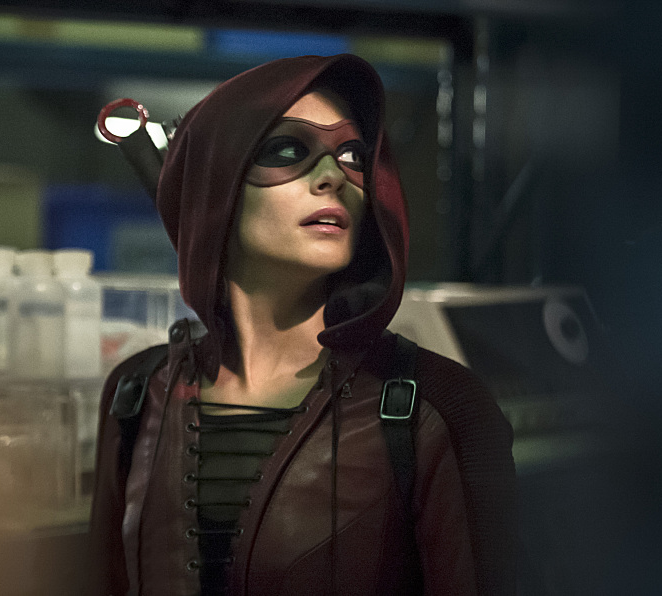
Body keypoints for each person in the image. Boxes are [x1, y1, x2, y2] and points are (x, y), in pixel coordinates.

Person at [88, 53, 515, 596]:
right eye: (288, 150)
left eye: (353, 155)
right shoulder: (135, 392)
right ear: (213, 186)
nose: (333, 178)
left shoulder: (438, 407)